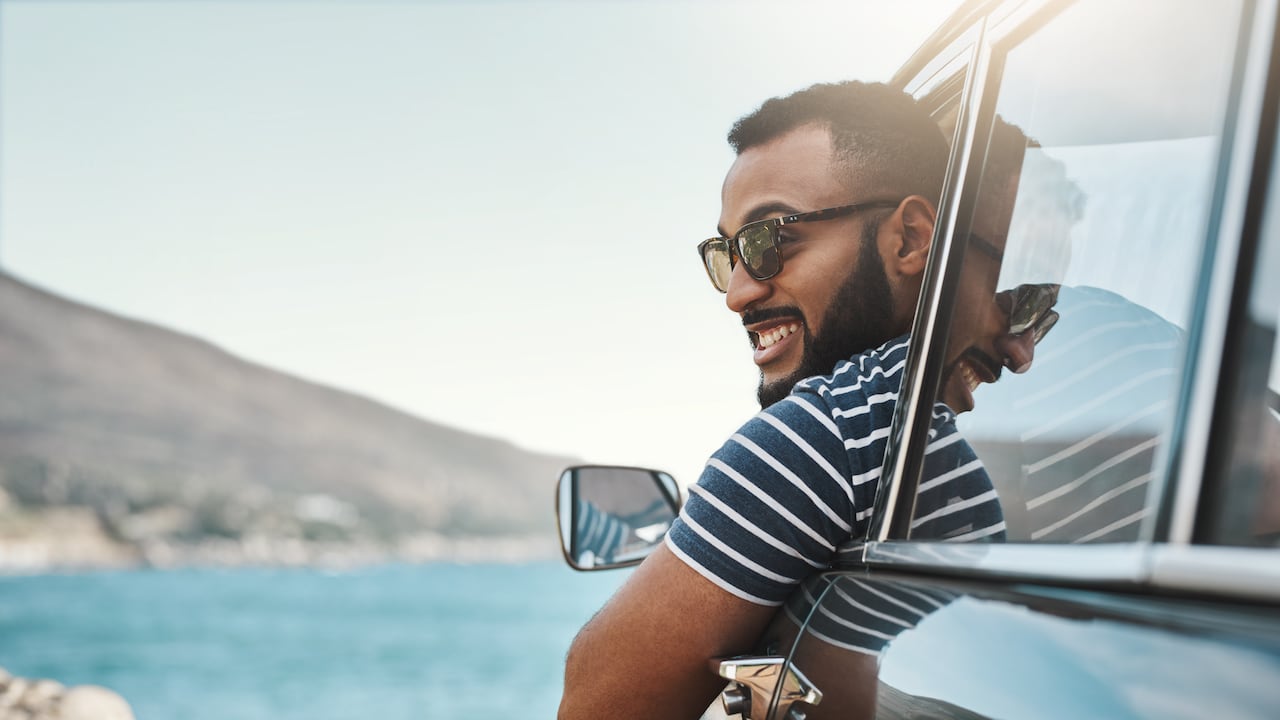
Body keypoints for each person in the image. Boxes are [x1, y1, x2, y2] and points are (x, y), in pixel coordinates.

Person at [559, 81, 1011, 720]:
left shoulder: (838, 428)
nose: (738, 292)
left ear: (910, 240)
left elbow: (598, 705)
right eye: (728, 254)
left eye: (770, 240)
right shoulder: (1063, 369)